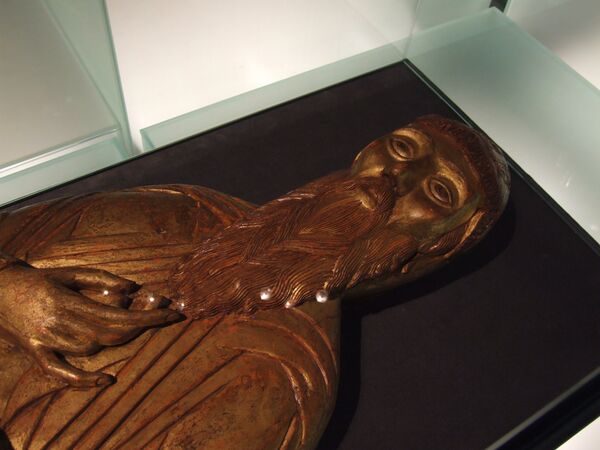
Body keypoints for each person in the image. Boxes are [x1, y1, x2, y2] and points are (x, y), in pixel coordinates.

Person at [0, 115, 509, 449]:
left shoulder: (287, 384)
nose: (397, 177)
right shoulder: (188, 210)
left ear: (441, 242)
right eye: (402, 148)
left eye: (438, 192)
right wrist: (10, 292)